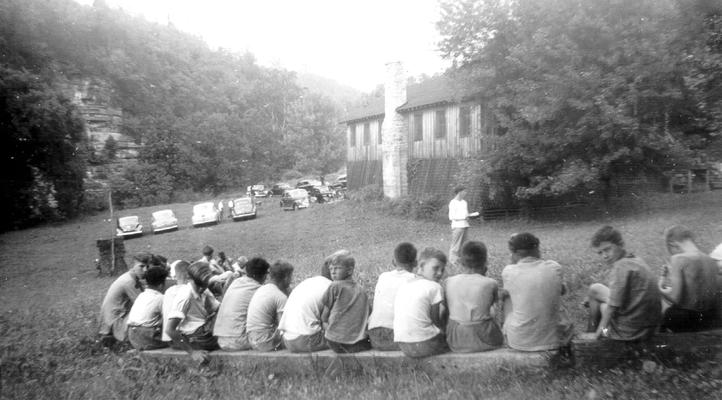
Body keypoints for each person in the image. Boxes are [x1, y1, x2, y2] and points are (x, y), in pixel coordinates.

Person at [583, 226, 661, 341]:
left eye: (607, 249)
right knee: (595, 289)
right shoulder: (634, 259)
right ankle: (594, 332)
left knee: (603, 307)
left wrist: (598, 334)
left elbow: (611, 308)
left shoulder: (620, 267)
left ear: (619, 244)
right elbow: (621, 291)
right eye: (600, 253)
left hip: (629, 332)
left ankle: (596, 334)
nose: (604, 256)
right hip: (648, 325)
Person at [501, 233, 573, 351]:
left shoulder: (509, 272)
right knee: (554, 291)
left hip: (519, 341)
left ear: (514, 253)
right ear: (537, 249)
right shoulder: (554, 267)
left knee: (507, 296)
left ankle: (506, 330)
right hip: (556, 340)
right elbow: (563, 291)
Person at [444, 241, 503, 353]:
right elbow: (493, 309)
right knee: (491, 310)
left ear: (461, 262)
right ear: (485, 262)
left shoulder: (448, 281)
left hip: (456, 340)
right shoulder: (491, 283)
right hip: (485, 340)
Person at [658, 225, 718, 331]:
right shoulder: (710, 260)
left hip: (687, 319)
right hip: (709, 317)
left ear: (672, 244)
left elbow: (675, 298)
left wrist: (660, 285)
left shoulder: (678, 259)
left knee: (667, 312)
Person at [394, 247, 449, 358]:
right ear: (421, 266)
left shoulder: (405, 284)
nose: (439, 273)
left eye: (442, 270)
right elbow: (436, 319)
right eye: (436, 268)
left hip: (404, 346)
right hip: (425, 345)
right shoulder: (434, 287)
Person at [278, 254, 334, 353]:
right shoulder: (331, 287)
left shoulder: (310, 281)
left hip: (288, 340)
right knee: (343, 340)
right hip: (307, 339)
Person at [165, 261, 221, 361]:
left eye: (204, 285)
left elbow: (218, 309)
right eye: (198, 285)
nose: (201, 289)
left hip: (203, 329)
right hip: (193, 335)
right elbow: (170, 330)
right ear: (189, 279)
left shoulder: (204, 290)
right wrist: (192, 352)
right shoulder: (185, 296)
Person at [367, 242, 418, 350]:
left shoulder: (383, 276)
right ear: (415, 263)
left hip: (374, 336)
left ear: (393, 261)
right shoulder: (414, 279)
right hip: (396, 337)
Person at [213, 257, 270, 350]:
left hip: (221, 340)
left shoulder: (236, 282)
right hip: (239, 341)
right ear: (264, 275)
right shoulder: (259, 289)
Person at [321, 251, 371, 353]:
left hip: (334, 342)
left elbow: (324, 317)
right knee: (368, 343)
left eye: (337, 268)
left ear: (349, 270)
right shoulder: (361, 290)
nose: (333, 272)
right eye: (331, 269)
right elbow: (368, 313)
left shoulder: (334, 286)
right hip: (357, 342)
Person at [98, 252, 151, 346]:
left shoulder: (130, 277)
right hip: (113, 323)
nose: (145, 270)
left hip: (114, 319)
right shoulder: (129, 282)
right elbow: (143, 304)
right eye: (141, 266)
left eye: (147, 267)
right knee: (147, 309)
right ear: (133, 266)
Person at [247, 261, 294, 351]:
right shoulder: (280, 296)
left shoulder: (262, 289)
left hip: (252, 339)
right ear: (286, 277)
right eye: (291, 276)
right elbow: (283, 327)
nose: (291, 280)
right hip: (265, 341)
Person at [127, 266, 169, 350]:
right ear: (161, 285)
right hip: (147, 338)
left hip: (132, 335)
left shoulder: (142, 295)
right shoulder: (161, 298)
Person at [448, 186, 479, 269]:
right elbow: (451, 217)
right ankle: (453, 262)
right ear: (459, 192)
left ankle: (462, 261)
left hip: (465, 225)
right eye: (464, 191)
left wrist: (470, 216)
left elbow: (465, 213)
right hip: (457, 226)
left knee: (464, 245)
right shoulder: (453, 202)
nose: (466, 193)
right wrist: (463, 217)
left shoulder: (464, 202)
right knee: (455, 245)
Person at [162, 260, 190, 343]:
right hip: (182, 340)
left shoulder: (168, 291)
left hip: (168, 340)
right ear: (189, 275)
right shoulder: (188, 290)